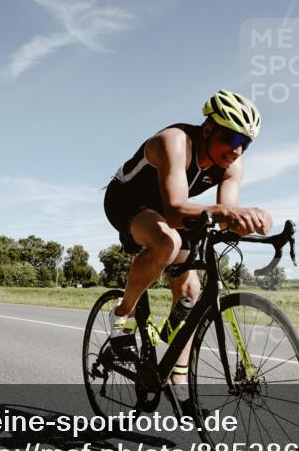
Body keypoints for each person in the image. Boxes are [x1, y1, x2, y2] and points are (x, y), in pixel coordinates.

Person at [103, 90, 273, 394]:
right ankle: (123, 312)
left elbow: (225, 217)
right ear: (208, 129)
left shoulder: (232, 164)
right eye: (232, 140)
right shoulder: (175, 141)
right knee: (166, 242)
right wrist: (231, 214)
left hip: (170, 214)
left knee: (192, 291)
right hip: (127, 201)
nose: (237, 151)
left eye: (245, 144)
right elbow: (175, 209)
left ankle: (177, 376)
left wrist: (254, 220)